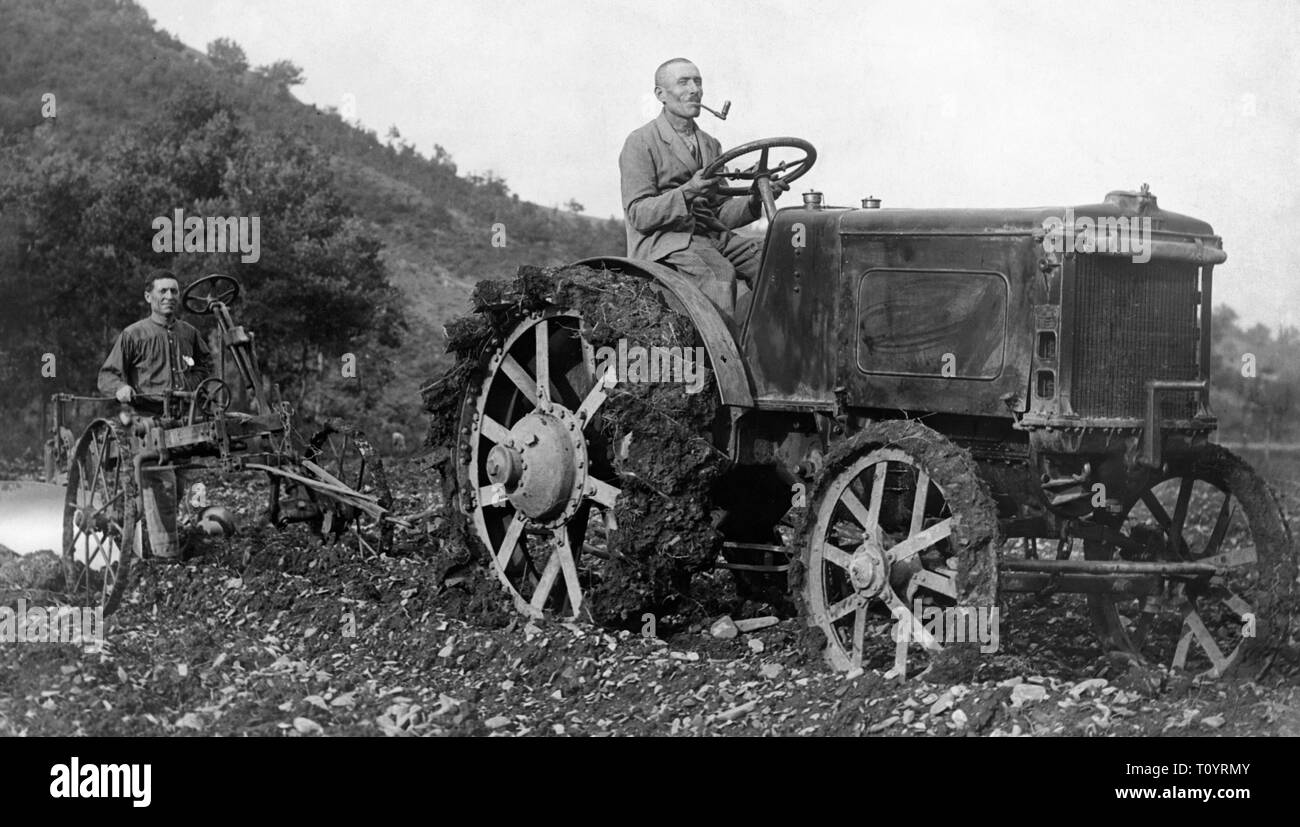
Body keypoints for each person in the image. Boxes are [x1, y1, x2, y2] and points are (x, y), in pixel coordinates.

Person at [619, 57, 788, 318]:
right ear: (660, 94)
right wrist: (689, 191)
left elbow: (719, 212)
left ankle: (770, 350)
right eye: (683, 82)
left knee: (776, 261)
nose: (694, 89)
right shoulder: (641, 142)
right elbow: (639, 215)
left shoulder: (710, 144)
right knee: (719, 276)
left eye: (698, 81)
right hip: (666, 242)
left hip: (712, 237)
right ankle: (718, 359)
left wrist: (757, 197)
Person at [97, 269, 212, 560]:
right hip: (147, 422)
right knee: (161, 484)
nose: (169, 297)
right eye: (163, 291)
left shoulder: (189, 333)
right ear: (149, 297)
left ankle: (176, 539)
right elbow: (107, 376)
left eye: (174, 291)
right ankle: (164, 558)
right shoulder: (134, 334)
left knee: (184, 487)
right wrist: (121, 387)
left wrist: (191, 385)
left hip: (184, 419)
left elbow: (205, 366)